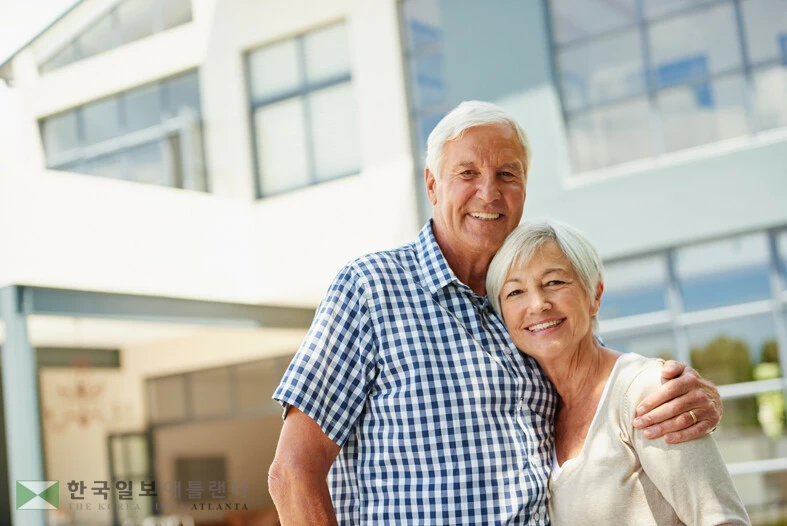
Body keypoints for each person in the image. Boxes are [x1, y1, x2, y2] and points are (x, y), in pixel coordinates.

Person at [269, 101, 723, 525]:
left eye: (507, 173)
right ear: (432, 184)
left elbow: (605, 391)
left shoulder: (532, 311)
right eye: (467, 172)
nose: (489, 193)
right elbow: (291, 472)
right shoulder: (370, 288)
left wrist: (684, 396)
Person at [486, 218, 748, 525]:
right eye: (515, 292)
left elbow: (721, 519)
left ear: (595, 294)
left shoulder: (646, 390)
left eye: (554, 282)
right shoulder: (540, 413)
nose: (538, 304)